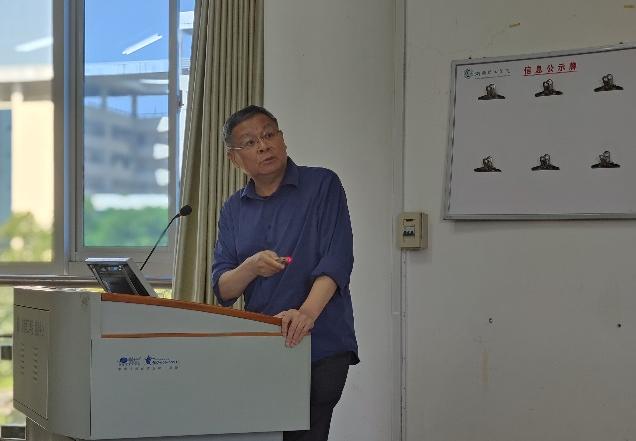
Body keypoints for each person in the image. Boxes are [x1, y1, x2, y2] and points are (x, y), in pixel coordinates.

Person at [212, 105, 359, 441]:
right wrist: (251, 266)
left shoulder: (322, 184)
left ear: (282, 138)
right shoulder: (233, 209)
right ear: (234, 158)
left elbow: (337, 258)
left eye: (269, 134)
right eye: (250, 142)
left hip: (320, 343)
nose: (264, 146)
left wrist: (305, 314)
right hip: (263, 347)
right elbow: (224, 288)